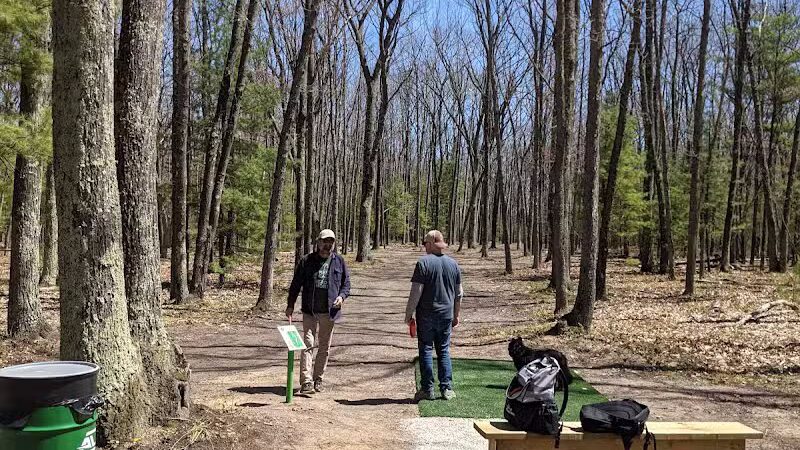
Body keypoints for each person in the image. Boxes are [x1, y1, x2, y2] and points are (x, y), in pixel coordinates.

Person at [286, 229, 351, 395]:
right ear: (318, 242)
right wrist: (290, 305)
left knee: (324, 347)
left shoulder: (339, 262)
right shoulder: (307, 261)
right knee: (307, 344)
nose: (327, 245)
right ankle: (306, 381)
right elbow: (296, 284)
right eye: (324, 242)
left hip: (329, 312)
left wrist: (342, 297)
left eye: (330, 242)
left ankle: (318, 378)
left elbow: (346, 284)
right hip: (309, 310)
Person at [405, 230, 463, 402]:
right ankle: (446, 389)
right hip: (446, 315)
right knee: (444, 350)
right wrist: (456, 314)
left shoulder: (423, 263)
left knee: (425, 350)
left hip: (426, 316)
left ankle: (427, 389)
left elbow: (416, 291)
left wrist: (408, 314)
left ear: (430, 244)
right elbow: (459, 294)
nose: (424, 247)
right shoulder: (453, 264)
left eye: (425, 244)